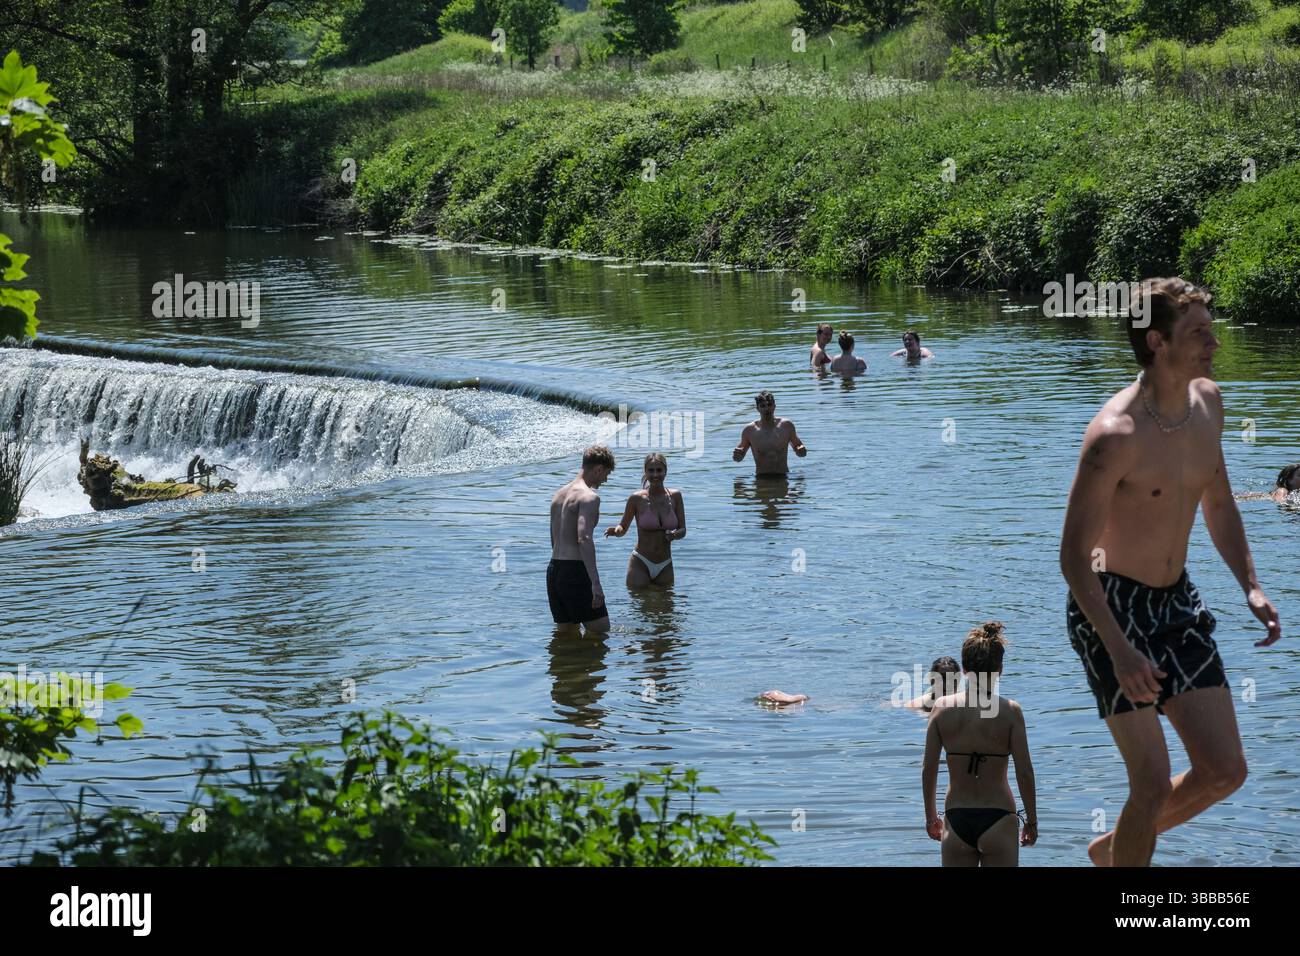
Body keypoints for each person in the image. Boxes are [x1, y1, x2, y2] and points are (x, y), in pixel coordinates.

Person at [1059, 277, 1281, 868]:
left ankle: (1113, 851)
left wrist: (1250, 584)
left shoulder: (1208, 402)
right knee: (1151, 785)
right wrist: (1120, 650)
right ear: (1157, 341)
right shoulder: (1114, 435)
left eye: (1211, 328)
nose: (1214, 341)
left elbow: (1219, 503)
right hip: (1109, 608)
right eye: (1199, 332)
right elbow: (1072, 558)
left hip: (1176, 602)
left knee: (1225, 770)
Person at [922, 622, 1037, 867]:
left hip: (957, 819)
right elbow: (1024, 773)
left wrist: (931, 817)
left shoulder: (941, 709)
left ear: (964, 669)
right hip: (999, 818)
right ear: (1000, 669)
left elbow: (928, 769)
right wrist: (1032, 821)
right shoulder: (1011, 712)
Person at [548, 445, 616, 634]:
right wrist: (595, 583)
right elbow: (584, 538)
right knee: (601, 631)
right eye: (606, 474)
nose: (605, 479)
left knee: (566, 634)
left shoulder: (558, 495)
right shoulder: (589, 497)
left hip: (554, 571)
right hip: (575, 571)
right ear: (598, 469)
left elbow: (553, 538)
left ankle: (566, 664)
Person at [605, 452, 686, 588]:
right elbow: (623, 527)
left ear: (666, 471)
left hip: (665, 564)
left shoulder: (676, 496)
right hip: (640, 562)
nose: (655, 475)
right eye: (651, 471)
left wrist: (675, 535)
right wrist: (616, 531)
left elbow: (683, 529)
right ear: (645, 472)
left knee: (667, 608)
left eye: (659, 470)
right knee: (639, 608)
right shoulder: (636, 499)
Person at [733, 391, 807, 476]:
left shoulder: (787, 426)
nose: (767, 409)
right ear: (757, 408)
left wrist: (801, 451)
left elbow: (801, 452)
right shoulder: (749, 431)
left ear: (774, 406)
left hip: (783, 477)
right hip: (761, 478)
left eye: (769, 405)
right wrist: (737, 456)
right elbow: (738, 458)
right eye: (763, 406)